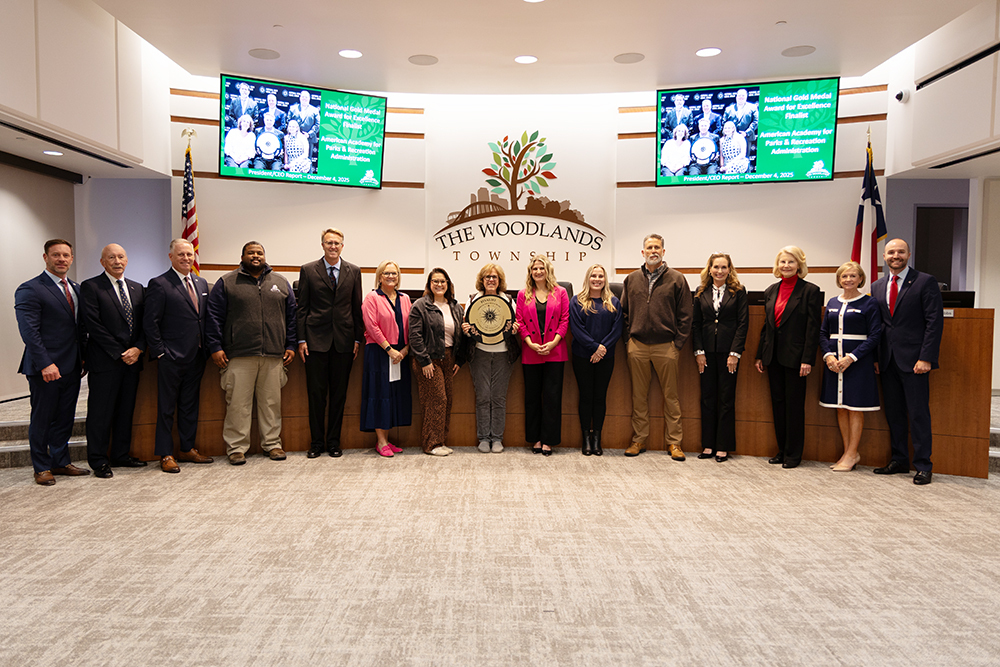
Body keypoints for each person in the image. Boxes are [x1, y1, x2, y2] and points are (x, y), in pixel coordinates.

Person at [205, 242, 297, 466]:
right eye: (251, 253)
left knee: (271, 403)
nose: (256, 256)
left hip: (274, 355)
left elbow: (292, 316)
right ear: (243, 256)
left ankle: (273, 444)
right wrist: (215, 347)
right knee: (238, 404)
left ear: (264, 256)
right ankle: (236, 448)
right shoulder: (227, 282)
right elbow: (213, 317)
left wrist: (291, 344)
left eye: (260, 253)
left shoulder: (280, 282)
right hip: (238, 355)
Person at [14, 239, 90, 486]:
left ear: (71, 258)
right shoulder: (30, 289)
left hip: (72, 366)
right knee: (43, 418)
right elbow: (30, 332)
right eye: (56, 255)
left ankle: (60, 460)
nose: (61, 259)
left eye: (66, 255)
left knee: (65, 417)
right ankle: (41, 466)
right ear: (45, 257)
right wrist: (46, 363)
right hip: (45, 368)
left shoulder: (77, 288)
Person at [870, 239, 943, 485]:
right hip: (888, 361)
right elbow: (878, 326)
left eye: (900, 251)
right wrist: (877, 358)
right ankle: (899, 460)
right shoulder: (877, 285)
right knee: (894, 413)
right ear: (884, 256)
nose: (896, 255)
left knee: (918, 413)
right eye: (891, 252)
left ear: (909, 254)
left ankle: (923, 465)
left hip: (915, 362)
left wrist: (926, 357)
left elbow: (934, 323)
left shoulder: (925, 281)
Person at [143, 239, 214, 473]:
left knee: (189, 405)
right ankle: (165, 454)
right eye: (181, 255)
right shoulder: (160, 283)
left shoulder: (201, 282)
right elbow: (150, 322)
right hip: (171, 357)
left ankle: (187, 448)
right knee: (166, 408)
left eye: (189, 254)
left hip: (196, 355)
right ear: (171, 257)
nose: (186, 258)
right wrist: (161, 351)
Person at [621, 234, 693, 460]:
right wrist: (628, 340)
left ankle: (674, 443)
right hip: (638, 345)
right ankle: (639, 440)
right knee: (638, 396)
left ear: (663, 251)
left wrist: (677, 343)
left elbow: (686, 315)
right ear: (642, 252)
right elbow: (623, 313)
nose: (653, 251)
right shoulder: (631, 279)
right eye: (649, 247)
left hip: (666, 346)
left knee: (671, 397)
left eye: (657, 247)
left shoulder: (677, 279)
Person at [79, 243, 147, 478]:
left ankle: (120, 455)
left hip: (133, 361)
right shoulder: (91, 287)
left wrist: (138, 348)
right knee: (100, 413)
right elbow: (92, 324)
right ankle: (98, 460)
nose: (117, 261)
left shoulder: (138, 288)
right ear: (102, 262)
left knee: (125, 411)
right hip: (106, 361)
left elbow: (144, 324)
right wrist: (120, 352)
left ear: (127, 260)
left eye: (121, 257)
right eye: (111, 257)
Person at [297, 228, 364, 458]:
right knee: (316, 395)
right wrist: (301, 339)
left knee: (339, 395)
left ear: (342, 246)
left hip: (344, 343)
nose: (333, 246)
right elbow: (302, 308)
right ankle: (316, 444)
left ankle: (334, 443)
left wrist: (357, 338)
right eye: (329, 243)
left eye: (337, 243)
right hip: (315, 342)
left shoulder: (353, 271)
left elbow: (356, 308)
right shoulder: (308, 270)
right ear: (322, 245)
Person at [754, 246, 823, 469]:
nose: (786, 266)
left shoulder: (810, 291)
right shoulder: (771, 290)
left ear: (799, 265)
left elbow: (813, 329)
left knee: (794, 407)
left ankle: (794, 454)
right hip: (772, 357)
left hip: (796, 359)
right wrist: (760, 355)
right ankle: (782, 450)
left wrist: (807, 359)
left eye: (791, 262)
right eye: (783, 262)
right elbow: (767, 326)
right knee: (778, 405)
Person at [818, 261, 881, 472]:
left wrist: (851, 357)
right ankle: (848, 453)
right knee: (841, 407)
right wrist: (828, 355)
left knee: (855, 408)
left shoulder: (869, 303)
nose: (848, 280)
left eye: (853, 276)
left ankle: (853, 453)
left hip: (857, 364)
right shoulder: (833, 302)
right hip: (834, 364)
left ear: (861, 279)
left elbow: (874, 336)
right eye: (844, 276)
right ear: (839, 279)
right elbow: (823, 332)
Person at [692, 253, 748, 463]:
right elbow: (696, 324)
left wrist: (735, 353)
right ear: (710, 269)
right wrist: (698, 352)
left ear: (729, 269)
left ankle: (722, 446)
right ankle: (708, 445)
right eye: (716, 267)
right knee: (707, 399)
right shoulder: (700, 292)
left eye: (724, 267)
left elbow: (743, 324)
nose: (720, 271)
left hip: (728, 354)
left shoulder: (739, 292)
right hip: (706, 353)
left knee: (726, 399)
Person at [461, 263, 520, 453]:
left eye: (494, 277)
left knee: (498, 398)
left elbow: (515, 324)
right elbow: (468, 326)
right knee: (483, 397)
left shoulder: (509, 300)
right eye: (487, 277)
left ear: (500, 280)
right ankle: (484, 438)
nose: (491, 280)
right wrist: (467, 330)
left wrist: (515, 328)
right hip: (479, 353)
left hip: (504, 353)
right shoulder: (473, 299)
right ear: (482, 280)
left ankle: (497, 439)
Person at [516, 254, 570, 456]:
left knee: (552, 397)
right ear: (530, 272)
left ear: (548, 270)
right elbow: (520, 321)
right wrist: (530, 343)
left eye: (541, 268)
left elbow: (565, 320)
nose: (538, 272)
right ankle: (536, 439)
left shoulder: (561, 292)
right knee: (532, 397)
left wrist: (553, 342)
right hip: (531, 352)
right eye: (534, 269)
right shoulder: (523, 294)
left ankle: (549, 440)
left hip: (555, 351)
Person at [408, 268, 466, 456]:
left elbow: (460, 336)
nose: (439, 284)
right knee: (436, 400)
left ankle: (440, 441)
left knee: (446, 402)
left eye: (442, 281)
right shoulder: (420, 306)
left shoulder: (456, 307)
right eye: (435, 281)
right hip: (428, 359)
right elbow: (415, 336)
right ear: (429, 284)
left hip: (448, 359)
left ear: (448, 284)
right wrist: (424, 361)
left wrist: (459, 359)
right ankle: (431, 444)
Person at [569, 264, 622, 456]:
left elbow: (617, 329)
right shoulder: (576, 301)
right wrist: (595, 347)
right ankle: (586, 439)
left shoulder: (614, 301)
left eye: (600, 276)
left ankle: (597, 439)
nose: (597, 279)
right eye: (593, 276)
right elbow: (576, 329)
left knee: (600, 397)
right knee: (585, 396)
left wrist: (601, 349)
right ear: (588, 278)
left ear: (605, 279)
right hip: (582, 356)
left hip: (606, 357)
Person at [360, 260, 412, 457]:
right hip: (380, 353)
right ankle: (381, 442)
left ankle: (387, 439)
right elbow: (371, 326)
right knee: (380, 394)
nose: (391, 276)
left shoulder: (405, 298)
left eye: (395, 273)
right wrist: (389, 349)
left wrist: (405, 350)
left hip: (401, 354)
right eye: (387, 273)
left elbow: (410, 325)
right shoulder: (372, 298)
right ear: (380, 276)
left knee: (393, 394)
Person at [722, 88, 759, 168]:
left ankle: (746, 179)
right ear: (736, 97)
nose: (741, 97)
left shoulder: (752, 107)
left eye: (743, 96)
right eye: (739, 96)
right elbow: (724, 122)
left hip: (747, 136)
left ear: (746, 96)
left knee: (745, 159)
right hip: (731, 138)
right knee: (731, 159)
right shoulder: (729, 109)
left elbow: (756, 121)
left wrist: (746, 132)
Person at [288, 89, 319, 159]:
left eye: (306, 97)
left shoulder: (314, 110)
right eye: (303, 97)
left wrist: (309, 134)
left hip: (309, 138)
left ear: (309, 98)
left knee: (307, 159)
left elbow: (317, 124)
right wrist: (295, 132)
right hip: (294, 138)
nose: (304, 99)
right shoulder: (293, 108)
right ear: (300, 98)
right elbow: (288, 121)